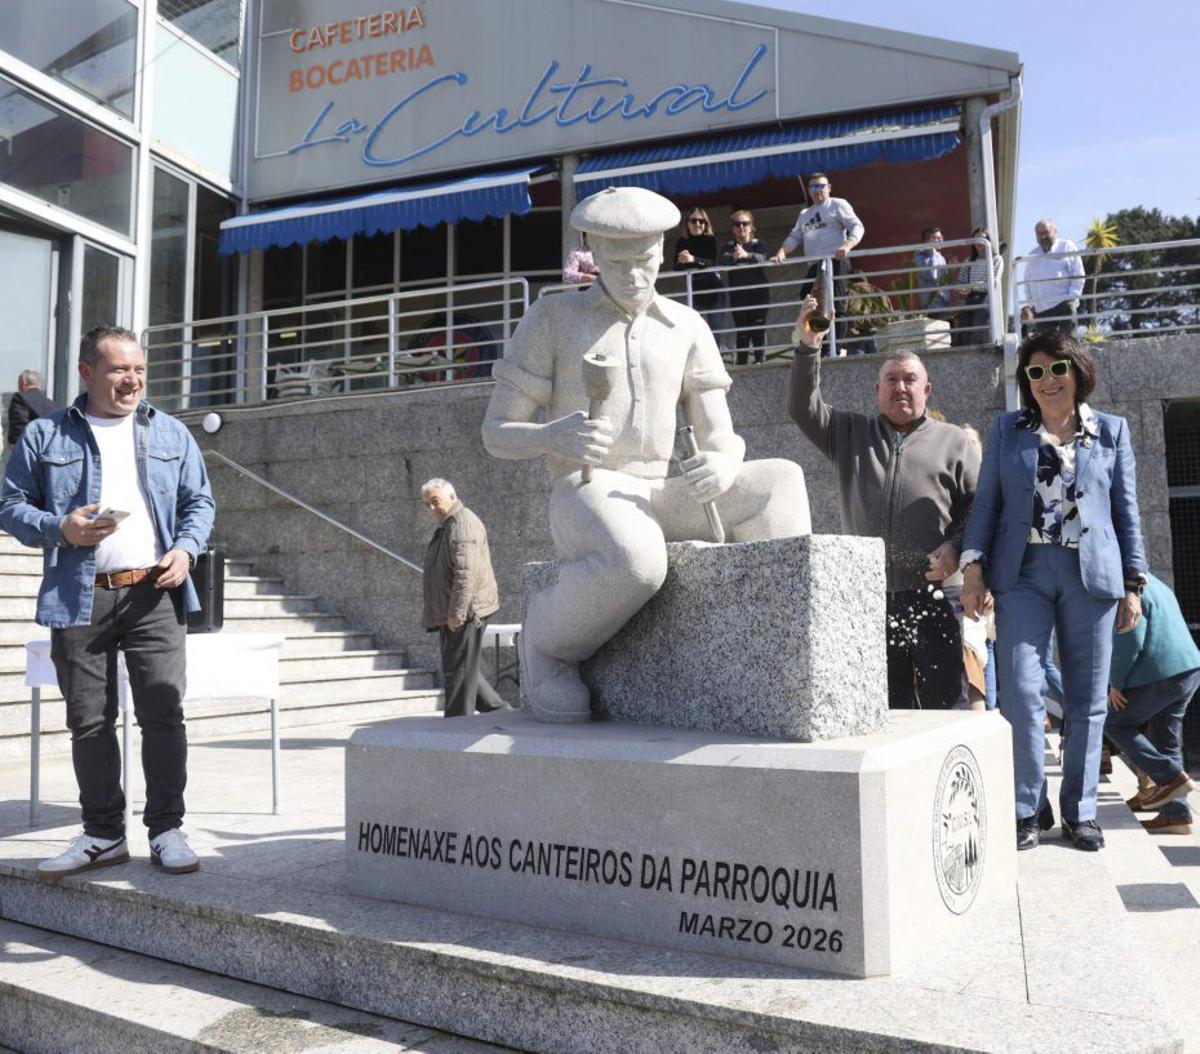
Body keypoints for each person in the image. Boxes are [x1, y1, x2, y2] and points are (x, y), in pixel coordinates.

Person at [483, 186, 810, 723]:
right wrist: (550, 437)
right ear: (591, 249)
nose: (634, 276)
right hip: (589, 489)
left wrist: (724, 462)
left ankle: (787, 657)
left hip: (664, 490)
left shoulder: (687, 326)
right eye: (618, 263)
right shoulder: (552, 321)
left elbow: (721, 433)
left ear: (663, 250)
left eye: (645, 261)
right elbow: (496, 431)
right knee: (638, 562)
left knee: (782, 480)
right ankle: (547, 644)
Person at [0, 325, 216, 878]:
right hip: (81, 598)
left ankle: (167, 829)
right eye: (120, 369)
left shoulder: (170, 432)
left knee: (164, 715)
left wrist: (187, 550)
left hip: (155, 593)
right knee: (89, 721)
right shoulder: (47, 435)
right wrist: (59, 527)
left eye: (139, 369)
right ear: (88, 372)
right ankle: (102, 835)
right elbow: (10, 506)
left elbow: (200, 502)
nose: (133, 380)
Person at [961, 330, 1148, 853]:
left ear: (1078, 371)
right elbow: (987, 505)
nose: (1046, 380)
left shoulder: (1111, 432)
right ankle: (1027, 807)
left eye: (1057, 368)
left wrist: (1134, 583)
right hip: (1022, 574)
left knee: (1088, 700)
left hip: (1092, 576)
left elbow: (1126, 513)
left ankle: (1081, 811)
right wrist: (974, 569)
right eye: (1035, 372)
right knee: (1021, 691)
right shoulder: (1008, 430)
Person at [788, 302, 979, 711]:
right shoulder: (848, 432)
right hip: (868, 597)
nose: (900, 387)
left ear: (926, 390)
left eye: (911, 380)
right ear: (877, 391)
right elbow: (802, 409)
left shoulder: (954, 441)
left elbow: (978, 507)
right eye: (891, 380)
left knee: (944, 705)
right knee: (883, 708)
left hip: (934, 594)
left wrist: (956, 548)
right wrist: (808, 348)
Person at [1105, 572, 1200, 834]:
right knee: (1166, 740)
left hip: (1161, 674)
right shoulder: (1155, 583)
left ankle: (1170, 776)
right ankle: (1177, 816)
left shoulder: (1126, 589)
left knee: (1115, 724)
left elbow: (1129, 640)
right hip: (1189, 670)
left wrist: (1116, 684)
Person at [420, 477, 508, 718]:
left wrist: (456, 613)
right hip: (457, 609)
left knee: (457, 671)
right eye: (426, 504)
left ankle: (457, 727)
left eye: (435, 501)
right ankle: (501, 712)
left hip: (465, 611)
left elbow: (465, 574)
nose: (431, 508)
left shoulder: (462, 524)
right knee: (462, 667)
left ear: (452, 496)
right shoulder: (450, 524)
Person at [770, 173, 864, 347]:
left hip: (835, 261)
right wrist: (782, 252)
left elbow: (857, 227)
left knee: (835, 303)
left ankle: (838, 347)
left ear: (829, 187)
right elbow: (794, 237)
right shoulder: (805, 213)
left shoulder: (837, 204)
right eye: (813, 187)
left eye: (821, 186)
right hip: (816, 265)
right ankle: (820, 341)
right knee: (808, 298)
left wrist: (847, 245)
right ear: (808, 191)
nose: (817, 190)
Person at [719, 210, 770, 365]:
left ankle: (760, 361)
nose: (741, 227)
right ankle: (742, 363)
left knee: (758, 327)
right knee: (742, 329)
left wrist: (746, 255)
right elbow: (722, 263)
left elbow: (764, 259)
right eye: (737, 224)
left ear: (751, 227)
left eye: (745, 223)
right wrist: (734, 256)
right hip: (738, 294)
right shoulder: (729, 247)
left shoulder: (758, 244)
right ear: (733, 229)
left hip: (759, 293)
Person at [1019, 219, 1085, 336]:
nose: (1043, 236)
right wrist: (1031, 306)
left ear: (1055, 231)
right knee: (1047, 348)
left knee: (1069, 342)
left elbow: (1078, 275)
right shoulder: (1032, 255)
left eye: (1046, 232)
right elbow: (1027, 283)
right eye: (1039, 234)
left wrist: (1071, 298)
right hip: (1041, 310)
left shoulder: (1067, 246)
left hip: (1063, 305)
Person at [673, 208, 724, 336]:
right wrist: (682, 261)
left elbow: (710, 263)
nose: (698, 224)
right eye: (693, 221)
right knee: (696, 332)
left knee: (715, 331)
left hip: (714, 290)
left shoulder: (711, 240)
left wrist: (692, 259)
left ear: (706, 224)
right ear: (687, 223)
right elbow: (676, 267)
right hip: (695, 291)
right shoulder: (682, 241)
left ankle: (716, 355)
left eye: (702, 221)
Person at [954, 228, 1003, 347]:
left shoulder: (996, 259)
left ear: (989, 241)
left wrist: (972, 287)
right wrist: (960, 289)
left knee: (977, 335)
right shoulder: (968, 261)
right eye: (976, 239)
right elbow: (960, 281)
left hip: (983, 301)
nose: (979, 242)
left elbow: (993, 283)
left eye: (983, 239)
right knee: (964, 336)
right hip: (966, 301)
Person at [843, 271, 895, 355]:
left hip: (856, 336)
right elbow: (890, 314)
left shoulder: (849, 292)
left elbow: (843, 312)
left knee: (857, 366)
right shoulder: (879, 291)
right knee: (877, 365)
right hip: (877, 334)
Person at [7, 369, 59, 450]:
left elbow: (19, 425)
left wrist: (14, 444)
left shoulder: (20, 398)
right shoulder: (53, 404)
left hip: (28, 450)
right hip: (49, 451)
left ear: (23, 383)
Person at [912, 227, 952, 315]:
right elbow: (932, 276)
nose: (941, 240)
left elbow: (944, 281)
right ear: (926, 241)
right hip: (932, 306)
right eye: (936, 238)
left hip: (944, 303)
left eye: (941, 237)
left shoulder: (940, 257)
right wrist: (933, 253)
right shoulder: (919, 257)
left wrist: (952, 269)